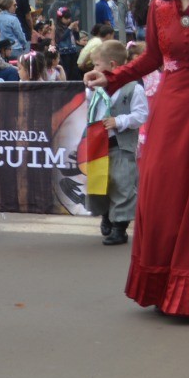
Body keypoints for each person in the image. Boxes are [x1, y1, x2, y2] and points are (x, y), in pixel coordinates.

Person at [84, 0, 189, 315]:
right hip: (171, 107)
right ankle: (165, 286)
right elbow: (152, 58)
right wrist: (110, 76)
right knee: (162, 190)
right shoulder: (160, 6)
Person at [82, 40, 147, 247]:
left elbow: (141, 114)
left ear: (112, 65)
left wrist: (119, 121)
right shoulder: (94, 89)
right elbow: (87, 108)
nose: (93, 69)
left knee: (122, 183)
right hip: (98, 146)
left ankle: (120, 226)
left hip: (121, 145)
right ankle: (106, 215)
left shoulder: (133, 88)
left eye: (96, 65)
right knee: (101, 183)